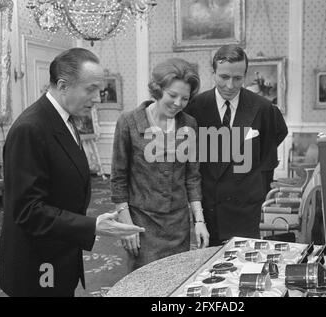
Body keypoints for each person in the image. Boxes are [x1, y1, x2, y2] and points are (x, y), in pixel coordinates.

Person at [0, 48, 145, 297]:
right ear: (63, 85)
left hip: (58, 253)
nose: (97, 97)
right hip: (37, 263)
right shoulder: (30, 128)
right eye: (91, 89)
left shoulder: (64, 119)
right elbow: (27, 210)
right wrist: (93, 225)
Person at [111, 58, 209, 271]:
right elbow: (118, 179)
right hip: (141, 222)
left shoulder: (189, 124)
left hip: (178, 224)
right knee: (143, 284)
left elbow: (192, 177)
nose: (178, 104)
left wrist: (199, 221)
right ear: (157, 90)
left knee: (175, 282)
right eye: (172, 95)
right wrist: (126, 225)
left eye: (185, 98)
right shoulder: (128, 121)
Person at [184, 45, 288, 246]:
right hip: (208, 205)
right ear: (213, 73)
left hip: (246, 206)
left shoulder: (263, 108)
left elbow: (271, 146)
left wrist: (256, 184)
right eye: (223, 77)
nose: (230, 85)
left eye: (237, 78)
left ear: (245, 76)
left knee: (244, 264)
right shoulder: (194, 107)